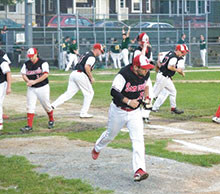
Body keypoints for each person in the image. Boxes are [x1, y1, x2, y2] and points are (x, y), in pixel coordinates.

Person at [92, 54, 154, 182]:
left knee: (138, 140)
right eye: (144, 68)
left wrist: (147, 97)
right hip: (118, 111)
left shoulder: (145, 74)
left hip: (135, 113)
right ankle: (97, 147)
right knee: (110, 135)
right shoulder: (124, 74)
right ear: (136, 67)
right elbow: (114, 92)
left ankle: (139, 170)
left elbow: (146, 85)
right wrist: (129, 101)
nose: (146, 70)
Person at [52, 43, 104, 118]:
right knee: (89, 93)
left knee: (68, 94)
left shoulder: (87, 53)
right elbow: (87, 67)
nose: (100, 53)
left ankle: (52, 106)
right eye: (100, 51)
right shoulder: (92, 57)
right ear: (96, 49)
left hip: (74, 73)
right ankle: (83, 113)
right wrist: (91, 77)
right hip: (80, 74)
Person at [20, 48, 55, 132]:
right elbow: (23, 74)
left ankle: (51, 119)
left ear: (36, 54)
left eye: (32, 56)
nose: (31, 58)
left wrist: (34, 81)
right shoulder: (26, 64)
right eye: (29, 56)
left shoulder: (43, 63)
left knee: (46, 105)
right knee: (30, 106)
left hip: (43, 87)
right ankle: (29, 126)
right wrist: (28, 81)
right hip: (32, 88)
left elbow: (45, 75)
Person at [152, 44, 189, 114]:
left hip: (165, 77)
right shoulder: (174, 57)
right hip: (162, 77)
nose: (183, 54)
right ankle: (143, 109)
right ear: (177, 51)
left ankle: (173, 108)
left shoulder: (170, 52)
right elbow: (169, 67)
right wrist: (178, 70)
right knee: (153, 94)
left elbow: (161, 57)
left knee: (173, 91)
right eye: (182, 52)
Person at [133, 32, 153, 124]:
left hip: (146, 75)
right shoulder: (137, 51)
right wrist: (144, 48)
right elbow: (139, 59)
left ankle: (145, 115)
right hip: (136, 75)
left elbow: (150, 61)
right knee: (137, 95)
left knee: (149, 96)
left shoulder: (149, 50)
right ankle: (136, 114)